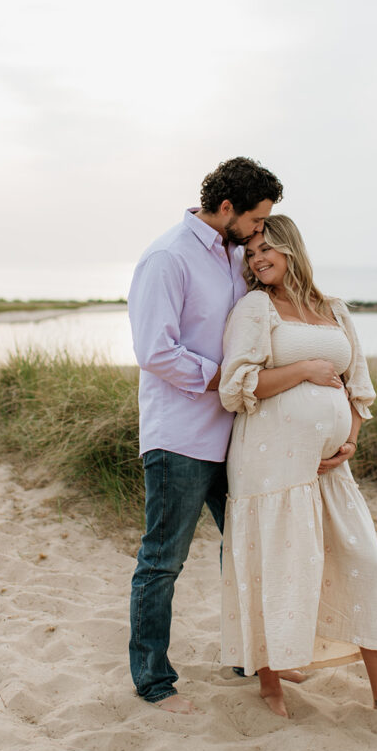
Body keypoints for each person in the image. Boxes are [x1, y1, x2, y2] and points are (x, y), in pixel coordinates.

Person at [219, 215, 377, 721]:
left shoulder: (333, 309)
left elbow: (359, 386)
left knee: (364, 562)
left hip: (331, 470)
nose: (257, 258)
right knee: (278, 567)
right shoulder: (255, 308)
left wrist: (350, 439)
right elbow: (236, 387)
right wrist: (304, 371)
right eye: (250, 254)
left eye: (266, 248)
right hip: (268, 469)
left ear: (291, 247)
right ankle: (270, 683)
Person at [128, 157, 283, 714]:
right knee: (163, 560)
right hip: (181, 436)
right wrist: (229, 379)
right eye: (257, 219)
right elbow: (155, 350)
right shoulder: (168, 257)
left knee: (244, 549)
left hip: (235, 434)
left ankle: (248, 657)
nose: (261, 230)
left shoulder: (234, 253)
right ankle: (153, 682)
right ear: (226, 209)